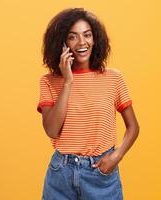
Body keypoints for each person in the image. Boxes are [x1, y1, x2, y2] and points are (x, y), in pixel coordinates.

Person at [37, 7, 140, 200]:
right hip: (61, 173)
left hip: (101, 172)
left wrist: (116, 157)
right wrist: (67, 81)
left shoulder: (113, 78)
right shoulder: (48, 81)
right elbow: (52, 130)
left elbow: (133, 127)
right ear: (61, 43)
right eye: (72, 37)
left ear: (95, 39)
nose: (82, 42)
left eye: (87, 35)